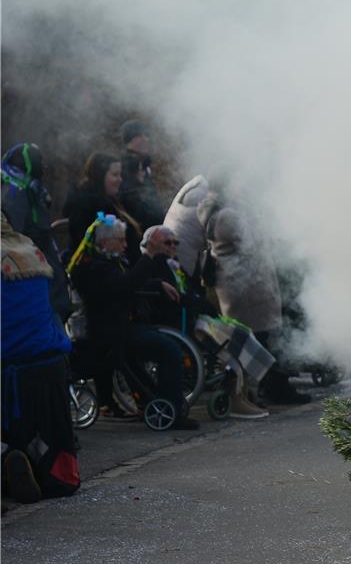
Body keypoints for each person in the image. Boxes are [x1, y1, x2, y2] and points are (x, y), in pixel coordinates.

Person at [67, 213, 199, 430]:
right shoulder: (90, 268)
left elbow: (129, 282)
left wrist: (157, 284)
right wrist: (149, 254)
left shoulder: (108, 262)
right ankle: (172, 412)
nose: (125, 245)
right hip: (110, 333)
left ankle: (166, 403)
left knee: (167, 345)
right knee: (170, 350)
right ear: (103, 242)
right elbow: (124, 285)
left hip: (123, 327)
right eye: (121, 240)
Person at [139, 225, 271, 419]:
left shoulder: (172, 264)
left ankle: (239, 390)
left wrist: (200, 303)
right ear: (152, 245)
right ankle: (234, 396)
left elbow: (190, 291)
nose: (173, 246)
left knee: (242, 332)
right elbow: (174, 298)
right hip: (176, 321)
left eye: (176, 242)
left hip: (190, 315)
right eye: (167, 243)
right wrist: (198, 303)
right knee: (233, 338)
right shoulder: (154, 265)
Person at [196, 182, 308, 405]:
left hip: (246, 286)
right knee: (264, 339)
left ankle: (268, 387)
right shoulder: (227, 215)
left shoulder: (220, 209)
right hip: (248, 288)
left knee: (262, 338)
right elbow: (254, 239)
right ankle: (273, 388)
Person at [1, 213, 79, 504]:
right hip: (52, 362)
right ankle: (42, 471)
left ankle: (8, 458)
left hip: (11, 365)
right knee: (46, 447)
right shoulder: (30, 249)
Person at [1, 143, 71, 322]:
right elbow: (14, 240)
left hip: (44, 275)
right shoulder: (15, 194)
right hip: (34, 280)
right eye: (40, 160)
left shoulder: (30, 191)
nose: (45, 166)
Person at [61, 152, 142, 261]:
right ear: (100, 176)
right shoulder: (85, 205)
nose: (120, 179)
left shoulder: (112, 200)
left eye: (120, 174)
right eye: (115, 175)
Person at [118, 120, 165, 230]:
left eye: (146, 135)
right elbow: (132, 204)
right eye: (139, 136)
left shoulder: (144, 166)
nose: (146, 140)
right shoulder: (123, 168)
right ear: (129, 140)